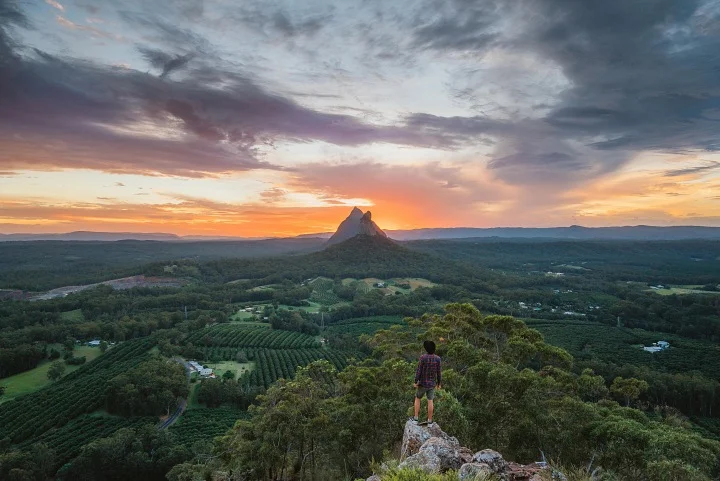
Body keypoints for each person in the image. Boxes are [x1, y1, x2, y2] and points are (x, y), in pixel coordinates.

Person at [412, 340, 442, 425]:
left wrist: (416, 381)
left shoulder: (423, 357)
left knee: (418, 399)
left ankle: (416, 419)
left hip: (422, 384)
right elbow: (439, 373)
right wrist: (439, 383)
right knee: (430, 401)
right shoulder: (438, 359)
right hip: (432, 384)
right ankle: (429, 421)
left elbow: (419, 371)